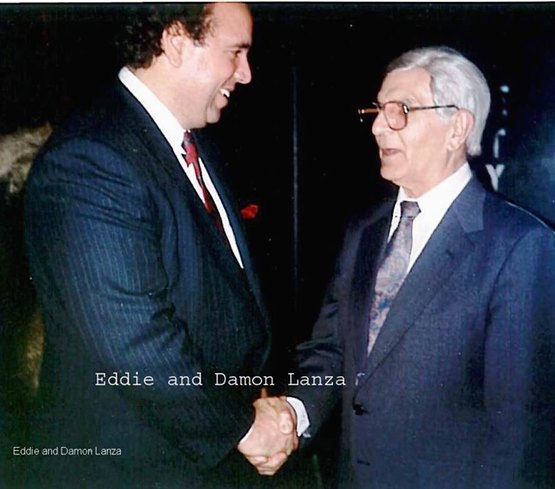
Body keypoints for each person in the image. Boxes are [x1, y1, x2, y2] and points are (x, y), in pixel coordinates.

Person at [253, 46, 555, 488]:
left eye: (401, 111)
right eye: (378, 110)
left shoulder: (520, 245)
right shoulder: (365, 229)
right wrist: (294, 416)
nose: (378, 126)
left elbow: (518, 436)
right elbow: (332, 350)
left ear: (457, 128)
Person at [23, 4, 295, 488]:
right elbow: (134, 341)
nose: (246, 74)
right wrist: (242, 427)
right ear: (175, 41)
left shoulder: (192, 142)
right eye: (235, 52)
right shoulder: (91, 158)